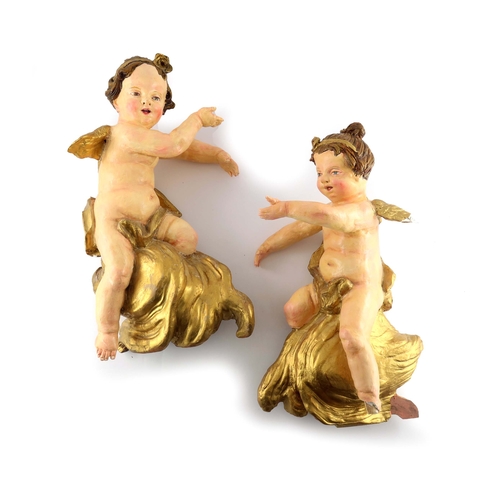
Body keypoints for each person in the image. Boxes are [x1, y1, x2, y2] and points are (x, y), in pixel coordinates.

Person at [72, 53, 239, 362]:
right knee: (118, 271)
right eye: (136, 93)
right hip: (115, 220)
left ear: (164, 105)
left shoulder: (149, 138)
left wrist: (216, 155)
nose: (146, 101)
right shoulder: (124, 133)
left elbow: (185, 149)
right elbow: (174, 145)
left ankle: (163, 286)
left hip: (152, 217)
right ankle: (106, 330)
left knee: (187, 238)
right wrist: (197, 120)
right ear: (116, 101)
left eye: (156, 96)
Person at [254, 123, 383, 413]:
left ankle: (369, 394)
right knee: (293, 310)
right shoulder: (327, 210)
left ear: (360, 174)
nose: (324, 180)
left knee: (352, 337)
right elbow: (300, 228)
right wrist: (268, 247)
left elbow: (330, 218)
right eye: (320, 173)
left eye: (334, 172)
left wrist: (286, 207)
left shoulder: (362, 211)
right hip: (324, 287)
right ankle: (309, 353)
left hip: (359, 288)